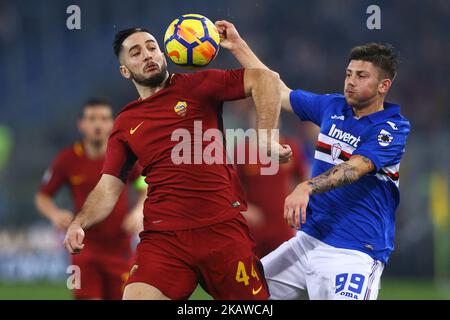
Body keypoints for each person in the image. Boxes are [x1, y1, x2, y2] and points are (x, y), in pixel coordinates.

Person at [63, 27, 292, 300]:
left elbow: (265, 79)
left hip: (221, 230)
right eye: (135, 53)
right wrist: (80, 222)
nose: (147, 55)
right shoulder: (125, 123)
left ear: (165, 53)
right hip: (164, 238)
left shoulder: (198, 85)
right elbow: (108, 188)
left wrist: (266, 137)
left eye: (151, 47)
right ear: (125, 71)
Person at [216, 20, 410, 299]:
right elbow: (277, 91)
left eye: (362, 76)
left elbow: (357, 167)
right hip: (307, 241)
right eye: (349, 73)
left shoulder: (392, 128)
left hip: (354, 251)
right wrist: (238, 46)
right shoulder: (332, 107)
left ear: (384, 86)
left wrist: (306, 186)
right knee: (243, 297)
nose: (351, 81)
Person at [35, 98, 146, 300]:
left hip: (121, 250)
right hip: (83, 251)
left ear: (112, 123)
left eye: (104, 119)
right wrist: (54, 213)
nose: (98, 124)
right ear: (81, 124)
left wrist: (139, 211)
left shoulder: (125, 156)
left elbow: (144, 186)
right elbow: (43, 196)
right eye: (92, 119)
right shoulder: (67, 159)